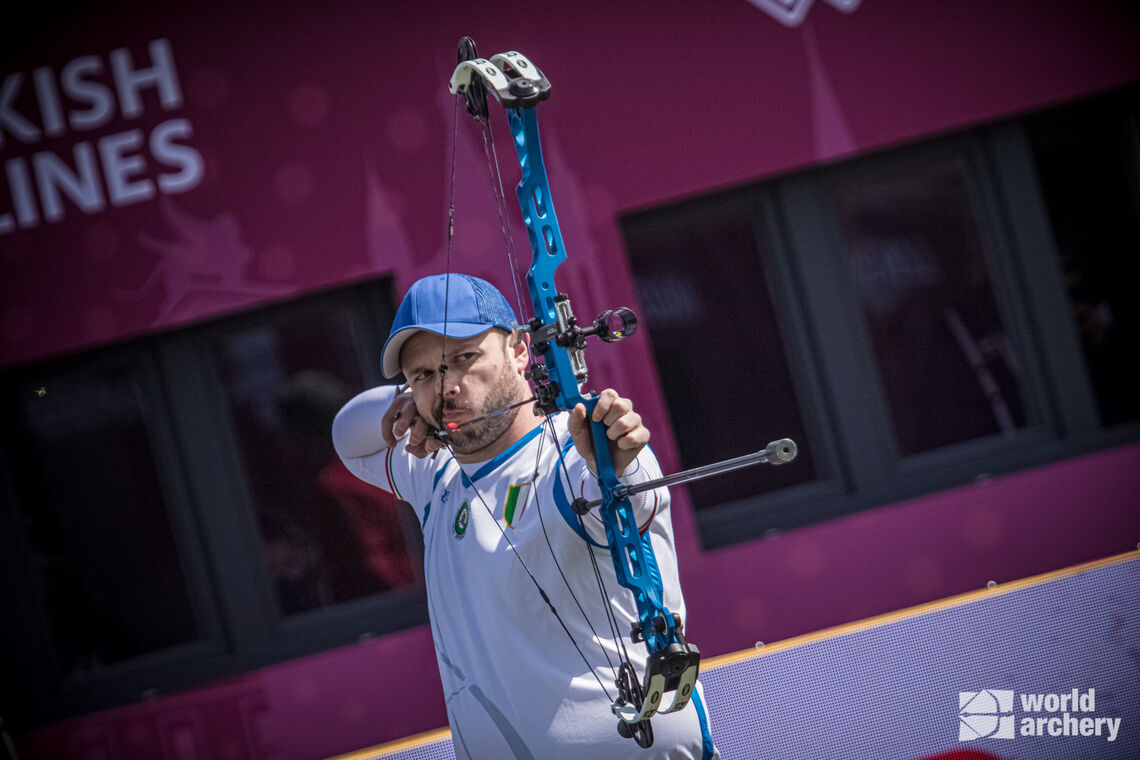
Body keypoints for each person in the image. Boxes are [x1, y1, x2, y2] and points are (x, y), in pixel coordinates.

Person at [332, 273, 717, 759]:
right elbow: (347, 433)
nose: (447, 387)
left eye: (463, 359)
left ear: (518, 350)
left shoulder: (576, 457)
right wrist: (407, 402)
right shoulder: (434, 475)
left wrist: (619, 462)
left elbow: (626, 497)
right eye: (424, 374)